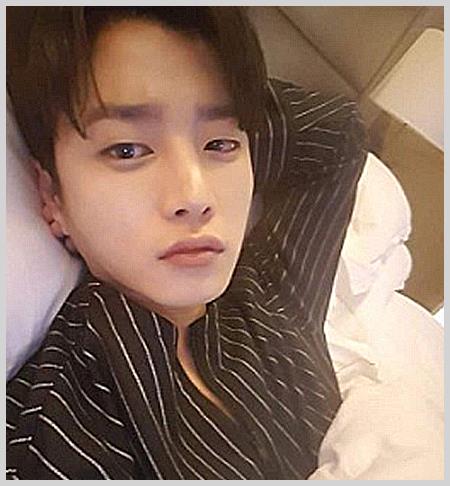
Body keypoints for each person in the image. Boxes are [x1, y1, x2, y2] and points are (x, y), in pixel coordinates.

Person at [6, 6, 367, 479]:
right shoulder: (52, 434)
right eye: (127, 150)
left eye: (221, 145)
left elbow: (338, 133)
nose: (196, 197)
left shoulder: (273, 296)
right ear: (52, 197)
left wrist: (236, 96)